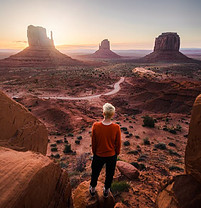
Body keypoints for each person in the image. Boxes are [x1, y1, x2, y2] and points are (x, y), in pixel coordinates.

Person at [89, 103, 121, 198]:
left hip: (98, 155)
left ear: (103, 113)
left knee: (95, 172)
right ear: (112, 114)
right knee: (109, 174)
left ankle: (93, 189)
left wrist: (95, 152)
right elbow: (118, 143)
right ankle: (106, 190)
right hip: (111, 155)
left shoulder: (96, 126)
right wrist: (116, 153)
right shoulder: (116, 127)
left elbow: (93, 142)